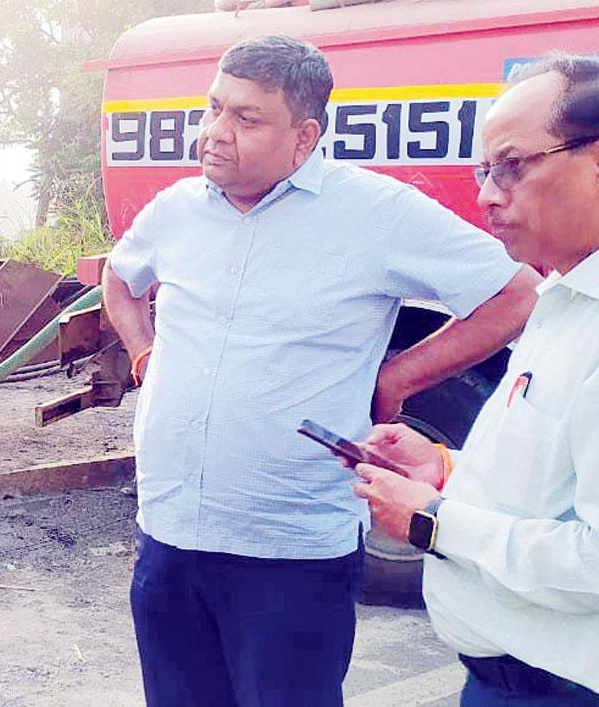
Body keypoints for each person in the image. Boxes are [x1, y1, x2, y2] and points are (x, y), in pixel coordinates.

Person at [102, 35, 541, 706]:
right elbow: (120, 278)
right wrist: (143, 351)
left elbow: (511, 295)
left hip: (291, 556)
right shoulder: (177, 210)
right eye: (214, 108)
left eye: (246, 119)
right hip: (169, 541)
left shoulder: (376, 212)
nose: (215, 133)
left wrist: (398, 379)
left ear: (304, 136)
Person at [352, 53, 599, 704]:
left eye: (512, 167)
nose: (487, 194)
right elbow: (551, 487)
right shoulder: (563, 301)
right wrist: (444, 469)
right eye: (484, 170)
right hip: (507, 679)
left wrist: (433, 521)